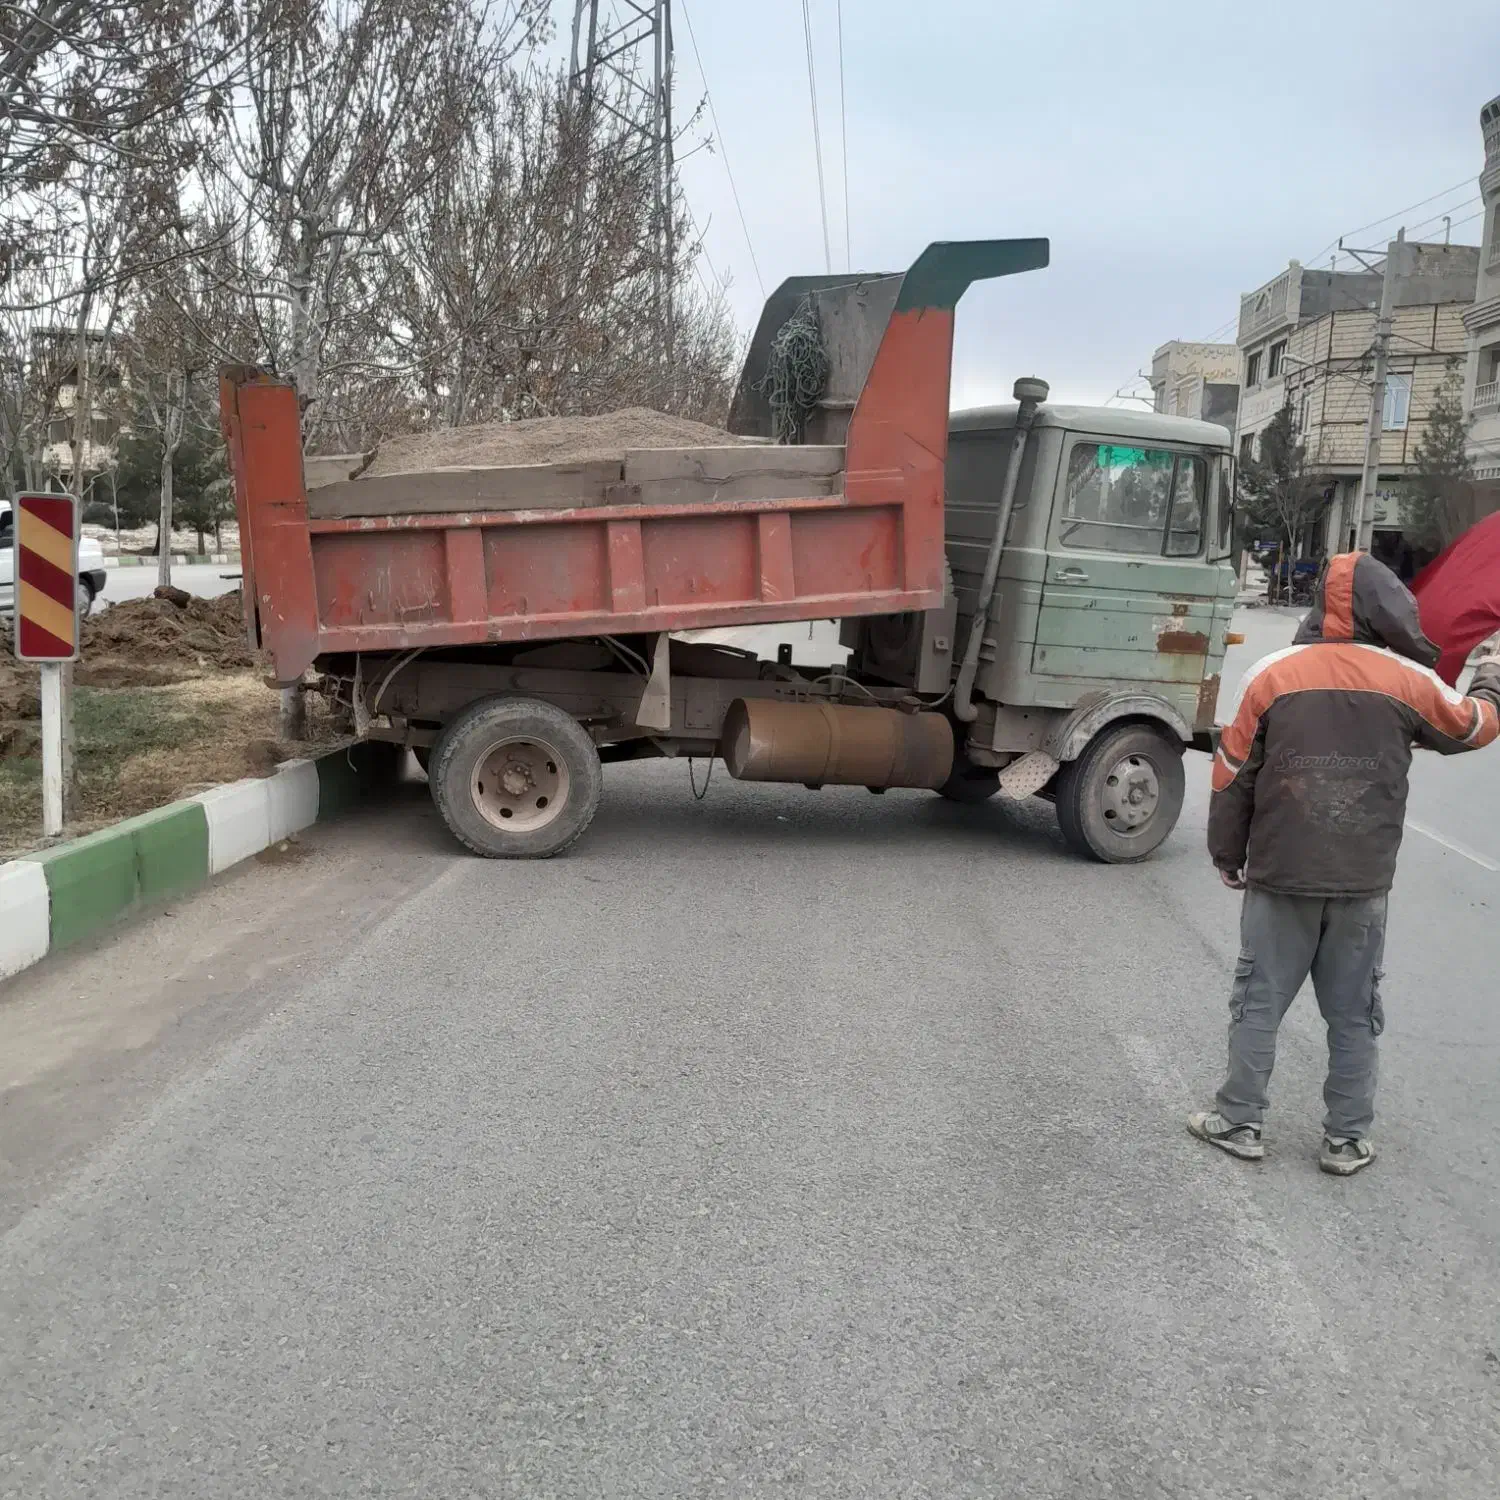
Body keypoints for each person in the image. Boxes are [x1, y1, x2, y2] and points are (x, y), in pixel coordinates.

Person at [1189, 550, 1500, 1175]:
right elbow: (1474, 726)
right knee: (1354, 1011)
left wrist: (1227, 852)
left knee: (1258, 1001)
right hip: (1363, 880)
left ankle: (1240, 1120)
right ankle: (1346, 1138)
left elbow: (1232, 775)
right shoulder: (1407, 681)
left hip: (1282, 874)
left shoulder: (1273, 675)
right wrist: (1489, 672)